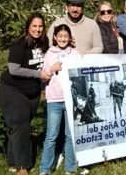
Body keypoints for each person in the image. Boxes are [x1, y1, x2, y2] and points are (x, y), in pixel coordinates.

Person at [0, 13, 55, 175]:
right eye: (34, 26)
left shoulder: (44, 43)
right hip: (12, 89)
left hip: (32, 91)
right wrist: (38, 75)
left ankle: (13, 162)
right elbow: (13, 69)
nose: (37, 29)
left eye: (40, 26)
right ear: (28, 27)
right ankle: (23, 168)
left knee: (20, 126)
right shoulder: (20, 44)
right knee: (21, 125)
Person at [39, 24, 80, 175]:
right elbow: (43, 79)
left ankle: (70, 167)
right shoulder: (49, 54)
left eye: (66, 36)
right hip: (54, 100)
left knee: (70, 136)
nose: (63, 39)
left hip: (70, 101)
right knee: (52, 135)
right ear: (55, 37)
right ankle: (44, 169)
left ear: (70, 38)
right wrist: (51, 69)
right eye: (60, 36)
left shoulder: (75, 53)